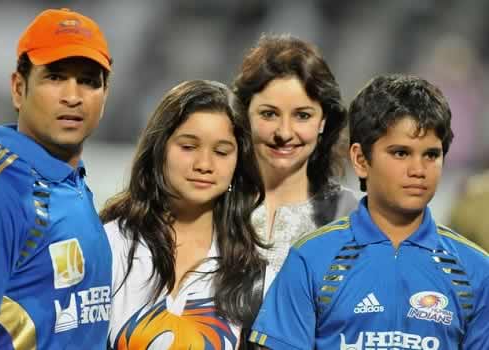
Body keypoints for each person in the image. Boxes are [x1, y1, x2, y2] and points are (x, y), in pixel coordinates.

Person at [249, 74, 489, 349]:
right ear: (361, 160)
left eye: (431, 155)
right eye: (401, 153)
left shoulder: (478, 271)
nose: (418, 170)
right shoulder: (311, 260)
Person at [0, 8, 112, 349]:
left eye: (89, 81)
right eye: (55, 77)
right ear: (19, 88)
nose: (73, 96)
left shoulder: (68, 182)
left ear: (105, 93)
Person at [101, 80, 266, 349]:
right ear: (159, 149)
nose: (204, 165)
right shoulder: (110, 244)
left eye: (221, 152)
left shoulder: (254, 273)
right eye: (188, 147)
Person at [232, 34, 358, 287]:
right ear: (245, 115)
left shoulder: (347, 213)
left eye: (302, 115)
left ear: (323, 121)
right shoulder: (217, 201)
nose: (285, 133)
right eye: (269, 114)